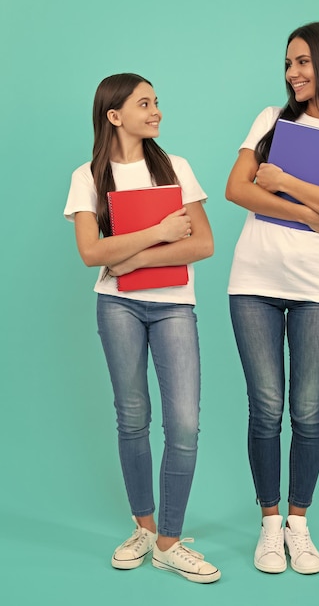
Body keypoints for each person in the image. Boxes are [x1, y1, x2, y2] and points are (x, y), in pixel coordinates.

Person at [225, 22, 319, 575]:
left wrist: (284, 182)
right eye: (288, 62)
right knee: (265, 408)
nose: (292, 73)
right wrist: (314, 213)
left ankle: (299, 525)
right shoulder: (270, 120)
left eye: (303, 62)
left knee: (308, 411)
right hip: (253, 283)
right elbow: (237, 188)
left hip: (318, 289)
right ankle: (269, 526)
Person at [64, 73, 220, 584]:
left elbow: (202, 245)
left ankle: (171, 542)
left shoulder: (176, 168)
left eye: (157, 102)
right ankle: (146, 529)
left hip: (174, 306)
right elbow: (92, 254)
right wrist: (155, 233)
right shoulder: (87, 176)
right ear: (115, 115)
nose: (156, 111)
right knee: (132, 418)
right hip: (118, 308)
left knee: (184, 425)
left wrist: (128, 258)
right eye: (145, 103)